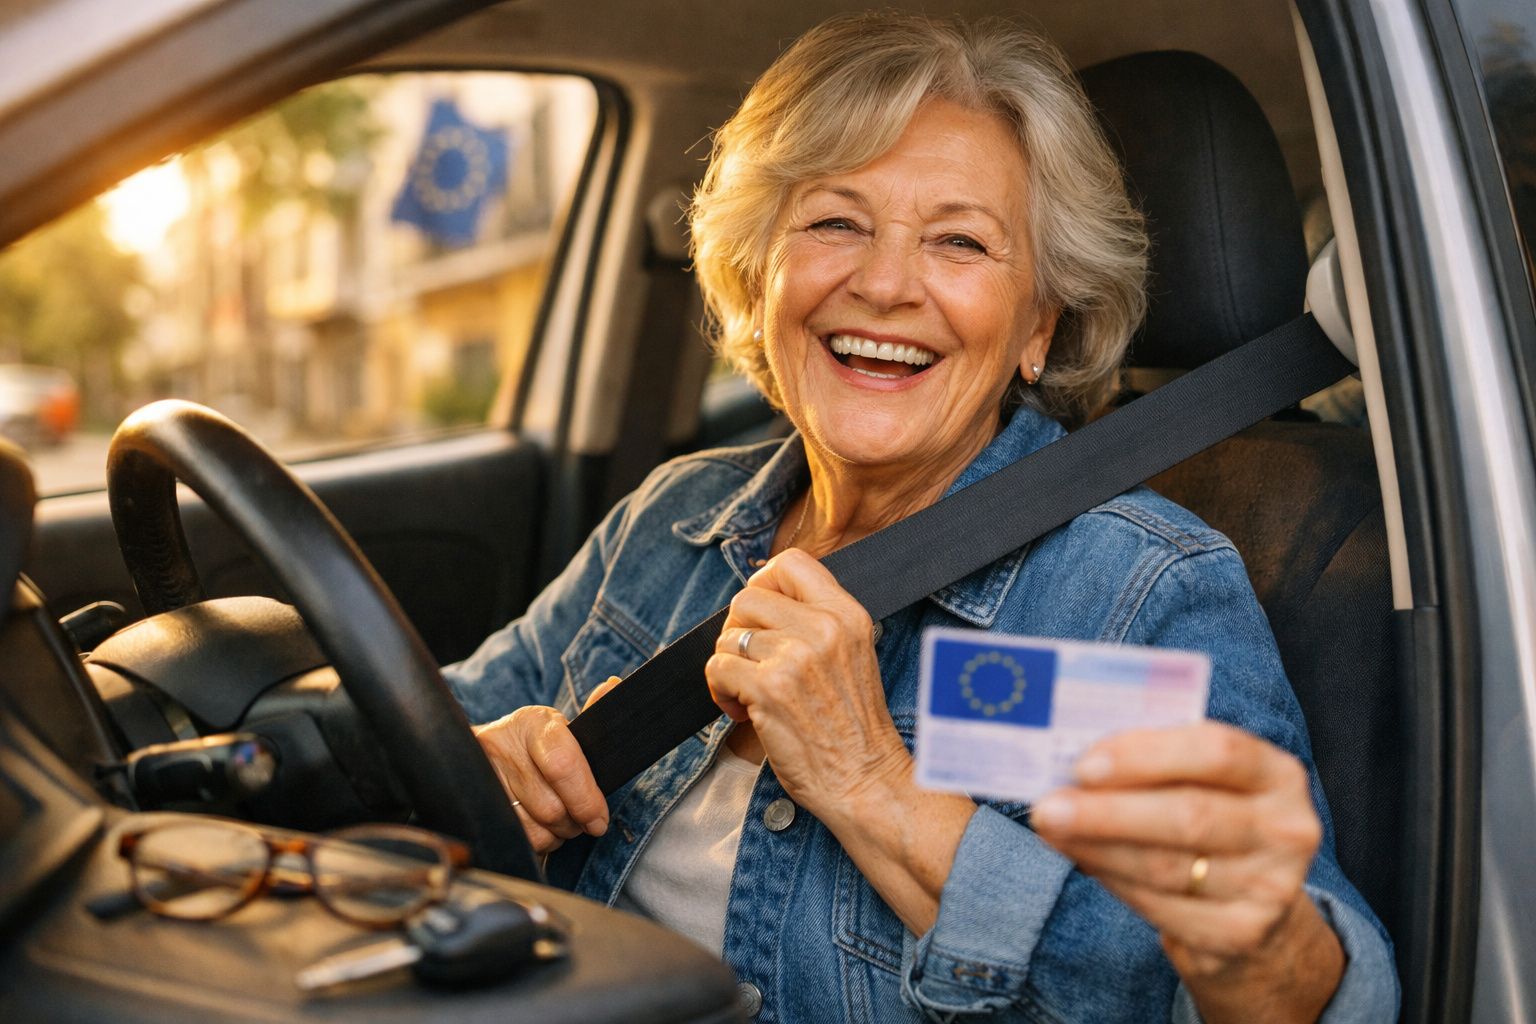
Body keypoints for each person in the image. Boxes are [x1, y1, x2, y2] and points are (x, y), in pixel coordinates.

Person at [445, 12, 1398, 1022]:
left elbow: (1283, 984)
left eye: (960, 241)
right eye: (835, 222)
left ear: (1039, 323)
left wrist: (873, 782)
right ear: (760, 270)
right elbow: (425, 732)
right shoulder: (673, 519)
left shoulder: (1128, 594)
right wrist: (481, 773)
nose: (886, 284)